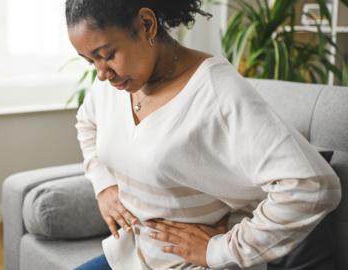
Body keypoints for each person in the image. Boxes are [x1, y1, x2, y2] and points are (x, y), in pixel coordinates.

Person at [66, 0, 342, 269]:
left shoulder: (217, 91)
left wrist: (222, 250)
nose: (102, 74)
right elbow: (86, 122)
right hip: (134, 257)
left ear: (146, 24)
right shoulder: (116, 87)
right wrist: (103, 184)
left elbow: (313, 185)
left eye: (108, 54)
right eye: (91, 61)